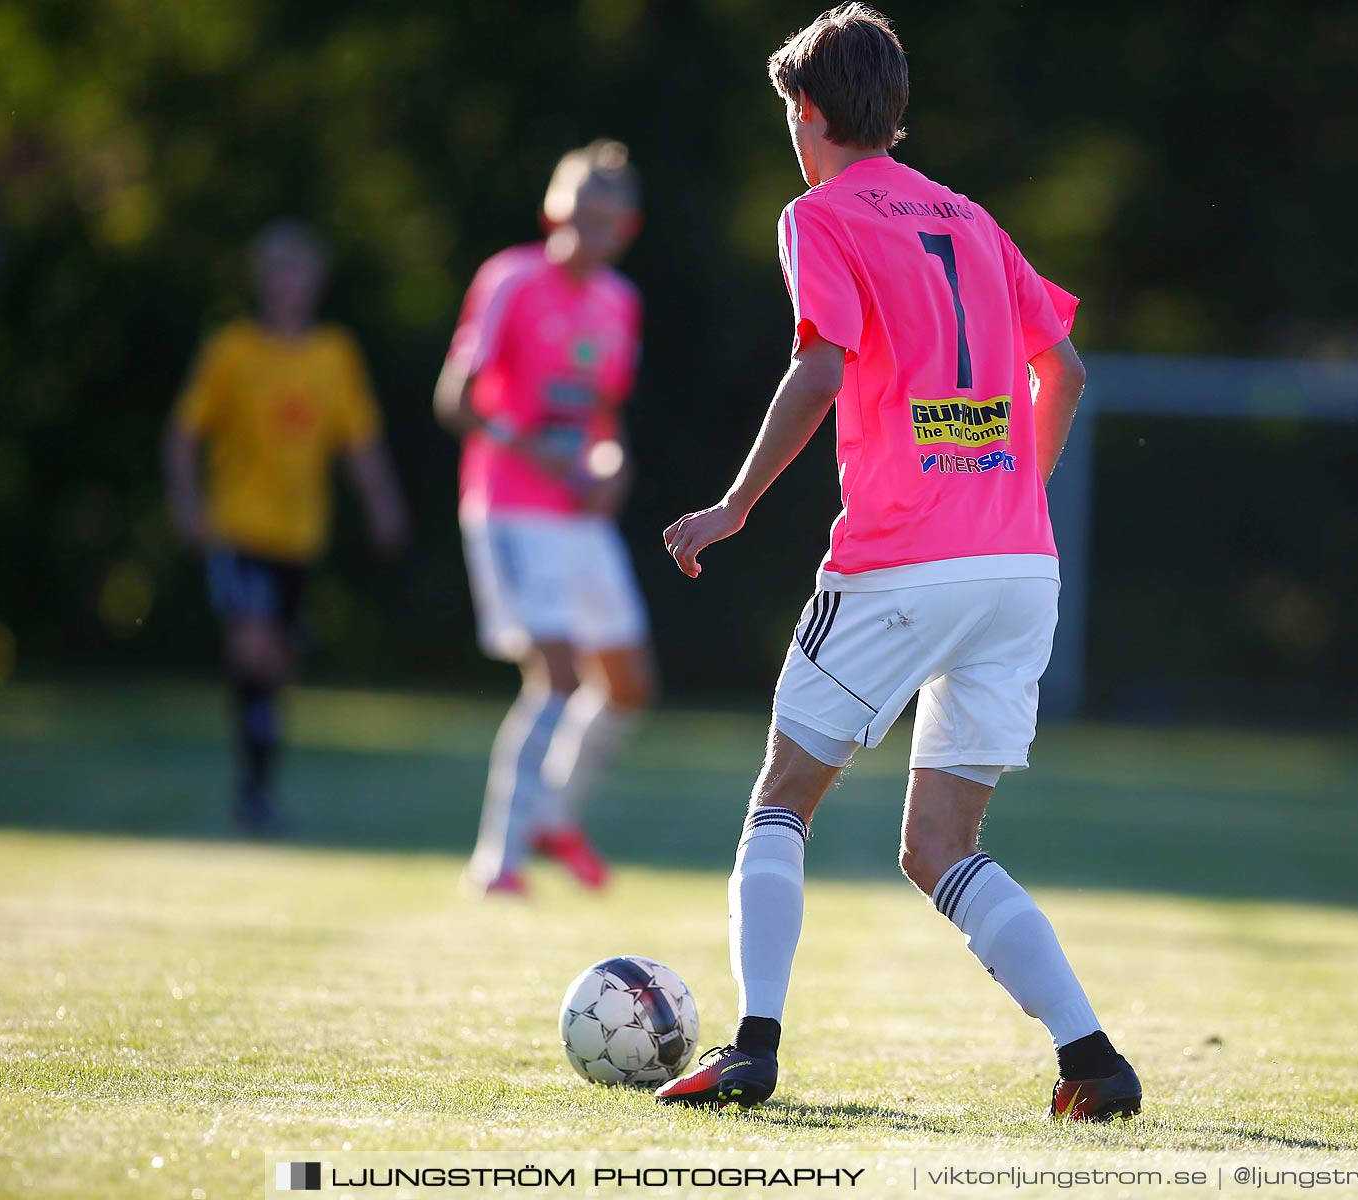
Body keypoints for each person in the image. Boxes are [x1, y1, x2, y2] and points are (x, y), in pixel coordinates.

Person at [654, 5, 1140, 1120]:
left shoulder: (818, 215)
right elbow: (1060, 370)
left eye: (788, 113)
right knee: (940, 846)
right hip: (1019, 566)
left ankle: (753, 1045)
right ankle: (1091, 1061)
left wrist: (732, 507)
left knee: (782, 800)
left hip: (898, 565)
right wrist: (1014, 484)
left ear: (809, 114)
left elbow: (821, 371)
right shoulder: (970, 218)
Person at [436, 140, 656, 899]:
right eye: (577, 212)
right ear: (552, 210)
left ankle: (553, 816)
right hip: (510, 508)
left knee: (628, 684)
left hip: (578, 519)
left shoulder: (620, 302)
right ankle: (497, 862)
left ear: (625, 227)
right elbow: (456, 401)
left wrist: (612, 468)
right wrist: (536, 453)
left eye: (605, 218)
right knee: (556, 677)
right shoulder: (511, 278)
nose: (587, 230)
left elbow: (603, 418)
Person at [165, 219, 408, 835]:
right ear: (261, 280)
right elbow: (184, 434)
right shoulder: (234, 350)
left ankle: (258, 787)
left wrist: (382, 503)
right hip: (238, 531)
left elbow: (360, 441)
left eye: (299, 272)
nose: (288, 285)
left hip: (300, 537)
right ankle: (253, 797)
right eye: (278, 272)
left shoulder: (334, 356)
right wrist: (189, 505)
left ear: (316, 283)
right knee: (253, 645)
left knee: (274, 665)